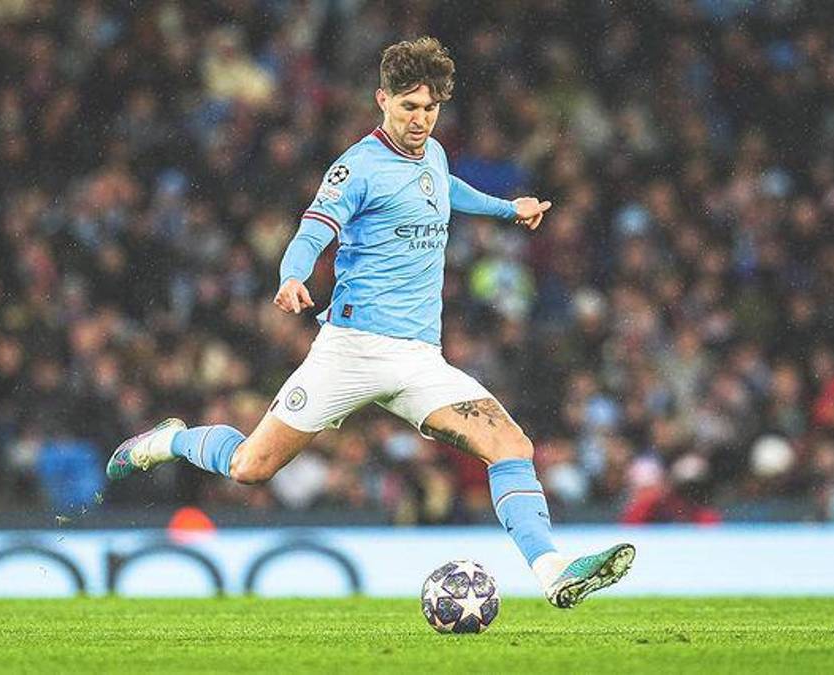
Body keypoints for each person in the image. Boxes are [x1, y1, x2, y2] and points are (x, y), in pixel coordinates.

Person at [106, 37, 633, 608]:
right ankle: (172, 440)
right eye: (409, 107)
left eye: (430, 108)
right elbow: (313, 229)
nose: (420, 119)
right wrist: (292, 275)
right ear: (382, 100)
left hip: (419, 360)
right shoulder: (356, 167)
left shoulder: (433, 154)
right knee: (250, 467)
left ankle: (553, 572)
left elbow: (446, 189)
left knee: (511, 445)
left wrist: (509, 209)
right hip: (351, 351)